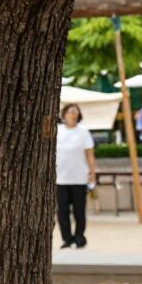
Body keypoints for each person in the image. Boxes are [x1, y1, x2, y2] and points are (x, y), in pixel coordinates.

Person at [54, 103, 96, 250]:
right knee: (62, 211)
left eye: (75, 112)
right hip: (60, 178)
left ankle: (79, 237)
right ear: (64, 114)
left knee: (79, 211)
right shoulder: (58, 131)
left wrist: (92, 172)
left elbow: (89, 154)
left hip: (79, 178)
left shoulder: (83, 132)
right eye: (70, 111)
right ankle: (67, 238)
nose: (73, 114)